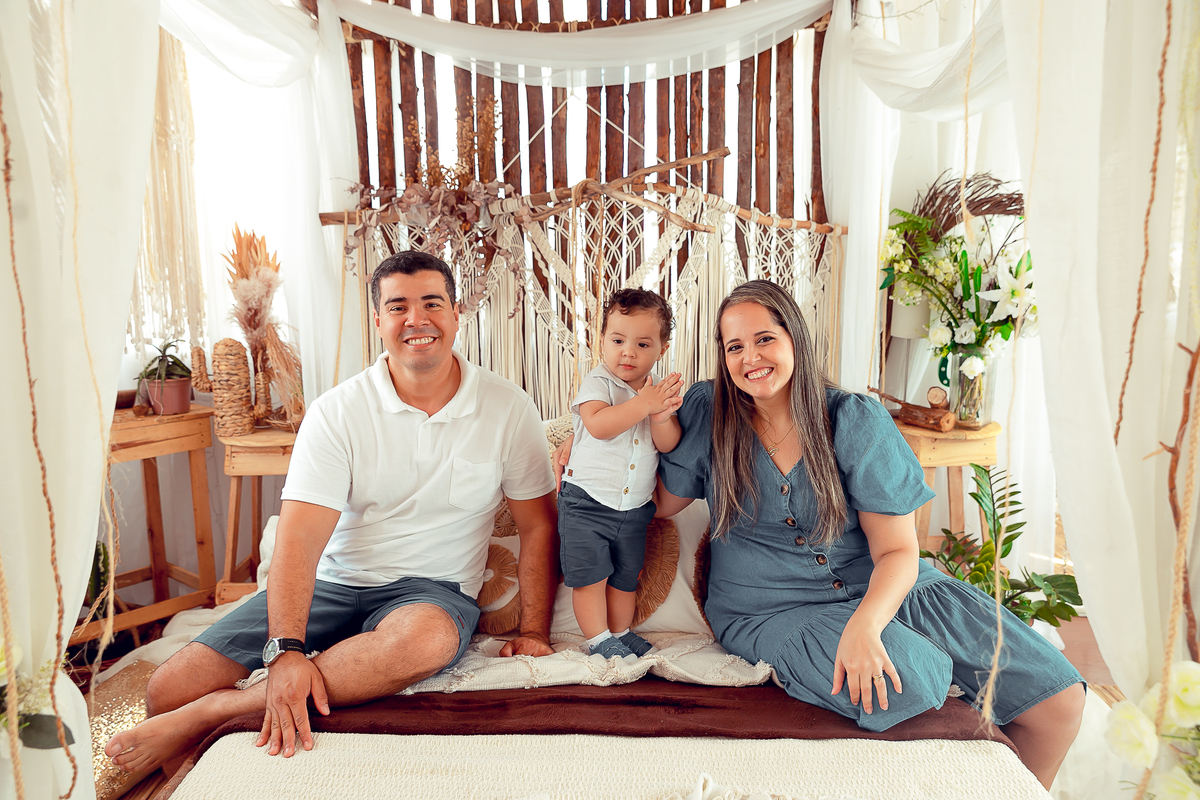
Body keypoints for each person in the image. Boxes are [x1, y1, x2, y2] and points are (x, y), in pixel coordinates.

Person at [106, 251, 559, 774]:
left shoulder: (508, 408)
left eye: (432, 303)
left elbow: (538, 526)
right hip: (333, 585)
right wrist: (286, 650)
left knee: (427, 640)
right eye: (398, 307)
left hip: (430, 594)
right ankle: (212, 714)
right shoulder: (336, 412)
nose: (417, 319)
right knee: (167, 691)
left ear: (457, 315)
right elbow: (299, 540)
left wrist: (535, 632)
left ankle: (220, 710)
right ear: (378, 321)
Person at [649, 280, 1084, 789]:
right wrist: (596, 444)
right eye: (734, 347)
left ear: (795, 339)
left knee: (1058, 700)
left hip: (883, 583)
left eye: (764, 339)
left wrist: (866, 624)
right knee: (909, 680)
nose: (750, 358)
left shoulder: (853, 418)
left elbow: (897, 549)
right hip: (771, 607)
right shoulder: (709, 411)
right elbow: (663, 502)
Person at [559, 289, 682, 659]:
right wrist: (643, 404)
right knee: (591, 576)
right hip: (586, 501)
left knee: (627, 577)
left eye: (642, 344)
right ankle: (598, 638)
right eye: (617, 341)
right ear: (602, 342)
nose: (628, 352)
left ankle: (621, 632)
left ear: (661, 349)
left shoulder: (657, 391)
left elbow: (668, 444)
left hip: (634, 507)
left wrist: (660, 416)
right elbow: (598, 425)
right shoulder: (599, 382)